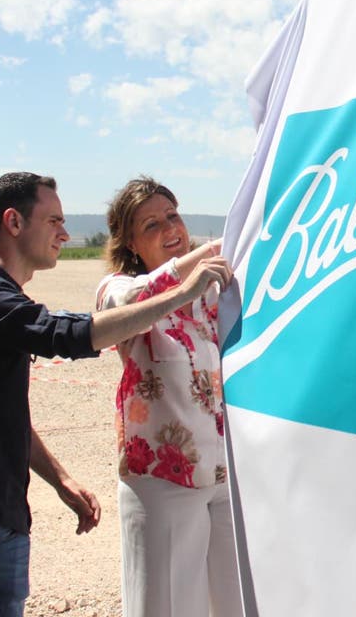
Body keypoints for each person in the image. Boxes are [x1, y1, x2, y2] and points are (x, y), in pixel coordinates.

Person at [0, 172, 232, 617]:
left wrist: (60, 480)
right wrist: (195, 276)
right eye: (54, 221)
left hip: (0, 510)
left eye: (173, 216)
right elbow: (67, 333)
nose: (65, 234)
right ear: (14, 222)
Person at [96, 176, 243, 617]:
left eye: (172, 216)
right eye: (151, 225)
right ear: (130, 243)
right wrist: (201, 263)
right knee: (168, 607)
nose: (169, 229)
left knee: (237, 602)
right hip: (162, 480)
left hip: (224, 474)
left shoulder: (212, 292)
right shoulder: (118, 289)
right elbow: (127, 306)